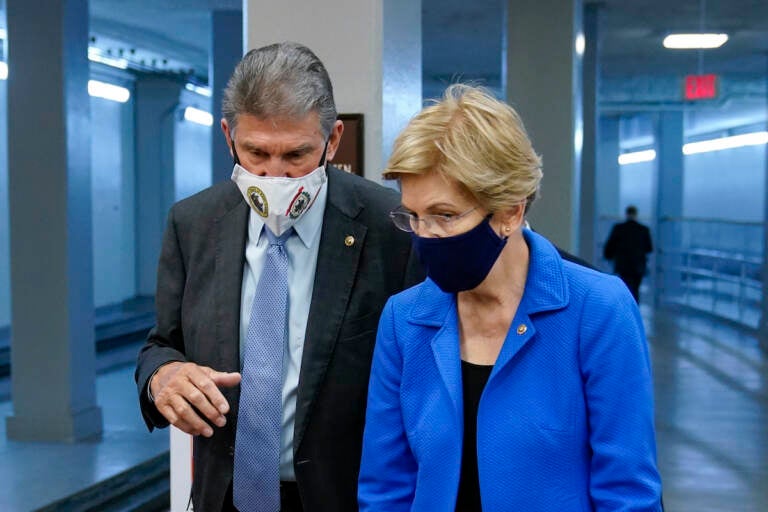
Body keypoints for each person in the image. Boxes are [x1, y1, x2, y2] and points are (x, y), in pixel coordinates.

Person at [135, 42, 421, 512]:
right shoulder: (192, 224)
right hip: (224, 497)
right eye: (256, 153)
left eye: (296, 154)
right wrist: (162, 375)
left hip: (344, 497)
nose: (275, 176)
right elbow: (161, 343)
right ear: (228, 136)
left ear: (332, 141)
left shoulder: (391, 227)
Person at [358, 85, 662, 511]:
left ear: (510, 212)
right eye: (414, 216)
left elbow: (627, 492)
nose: (425, 235)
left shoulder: (598, 311)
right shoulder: (405, 319)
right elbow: (385, 488)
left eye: (444, 216)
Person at [603, 205, 654, 302]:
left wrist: (608, 257)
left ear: (626, 214)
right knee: (636, 289)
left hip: (623, 265)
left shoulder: (618, 228)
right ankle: (635, 310)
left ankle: (626, 309)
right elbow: (649, 248)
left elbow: (610, 245)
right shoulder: (643, 229)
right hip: (638, 266)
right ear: (636, 214)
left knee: (625, 288)